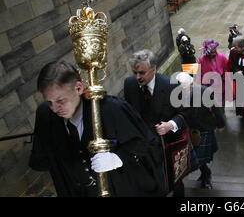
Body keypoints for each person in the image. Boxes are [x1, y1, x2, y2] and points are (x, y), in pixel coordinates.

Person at [29, 60, 166, 197]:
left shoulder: (111, 109)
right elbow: (41, 161)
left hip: (121, 189)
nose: (54, 108)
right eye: (49, 102)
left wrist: (118, 157)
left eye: (60, 101)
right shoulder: (46, 115)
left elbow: (149, 144)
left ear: (78, 88)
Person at [123, 49, 186, 197]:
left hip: (166, 146)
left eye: (142, 73)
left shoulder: (172, 85)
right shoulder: (129, 84)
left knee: (175, 181)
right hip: (143, 148)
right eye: (135, 73)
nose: (137, 77)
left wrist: (170, 125)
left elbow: (184, 114)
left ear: (154, 69)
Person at [176, 72, 225, 189]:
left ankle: (206, 176)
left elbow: (216, 107)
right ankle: (205, 172)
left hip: (204, 127)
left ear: (192, 84)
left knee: (201, 156)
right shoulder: (176, 93)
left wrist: (220, 124)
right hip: (189, 128)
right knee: (195, 157)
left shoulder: (204, 91)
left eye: (186, 86)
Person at [197, 38, 232, 108]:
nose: (214, 52)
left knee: (221, 104)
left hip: (221, 85)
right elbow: (199, 75)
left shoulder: (221, 57)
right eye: (211, 51)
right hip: (208, 86)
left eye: (215, 50)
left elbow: (228, 69)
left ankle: (222, 114)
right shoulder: (202, 60)